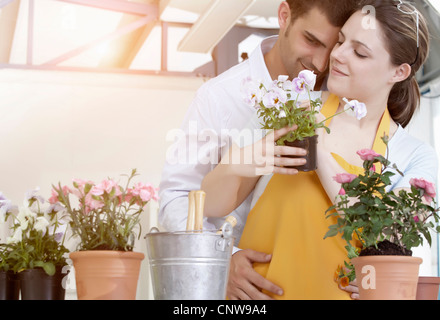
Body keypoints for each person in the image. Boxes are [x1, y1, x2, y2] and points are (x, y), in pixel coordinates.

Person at [201, 0, 437, 299]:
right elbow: (209, 206)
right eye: (341, 41)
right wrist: (237, 164)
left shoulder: (413, 155)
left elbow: (387, 248)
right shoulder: (287, 105)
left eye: (360, 52)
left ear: (399, 72)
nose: (337, 55)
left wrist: (318, 150)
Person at [158, 0, 359, 299]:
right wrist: (220, 259)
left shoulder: (342, 97)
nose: (319, 63)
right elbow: (175, 198)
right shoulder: (220, 97)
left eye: (330, 50)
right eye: (311, 40)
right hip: (246, 292)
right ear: (284, 15)